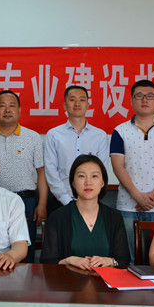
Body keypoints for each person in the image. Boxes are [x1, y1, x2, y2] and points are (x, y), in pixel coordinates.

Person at [110, 79, 154, 263]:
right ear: (131, 100)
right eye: (139, 96)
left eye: (150, 96)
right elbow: (117, 166)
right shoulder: (120, 131)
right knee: (128, 259)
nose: (145, 100)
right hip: (128, 205)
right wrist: (137, 195)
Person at [0, 90, 48, 263]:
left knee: (25, 250)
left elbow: (41, 172)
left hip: (26, 202)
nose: (7, 110)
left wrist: (42, 204)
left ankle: (25, 281)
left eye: (12, 106)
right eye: (2, 106)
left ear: (19, 110)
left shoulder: (32, 137)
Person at [41, 154, 130, 268]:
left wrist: (110, 261)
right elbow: (47, 262)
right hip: (68, 278)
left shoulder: (114, 217)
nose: (88, 182)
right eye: (81, 176)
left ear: (102, 182)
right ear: (73, 182)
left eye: (94, 176)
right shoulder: (57, 217)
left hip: (104, 279)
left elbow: (124, 259)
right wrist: (69, 260)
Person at [45, 85, 109, 214]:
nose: (77, 104)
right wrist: (66, 200)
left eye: (82, 99)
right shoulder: (53, 135)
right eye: (72, 99)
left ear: (88, 105)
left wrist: (88, 198)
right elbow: (50, 170)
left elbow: (102, 171)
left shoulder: (100, 135)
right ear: (65, 105)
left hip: (91, 201)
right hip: (60, 202)